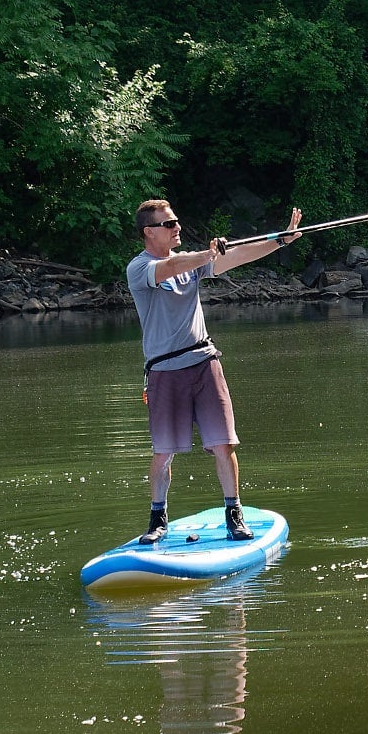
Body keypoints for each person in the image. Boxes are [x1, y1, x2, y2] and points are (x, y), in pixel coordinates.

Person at [126, 199, 301, 545]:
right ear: (149, 232)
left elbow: (238, 255)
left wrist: (280, 240)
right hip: (164, 371)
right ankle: (157, 518)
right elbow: (169, 269)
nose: (177, 227)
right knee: (163, 452)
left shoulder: (192, 262)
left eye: (177, 221)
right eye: (168, 224)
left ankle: (234, 514)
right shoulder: (139, 268)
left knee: (224, 444)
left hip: (205, 363)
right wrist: (206, 255)